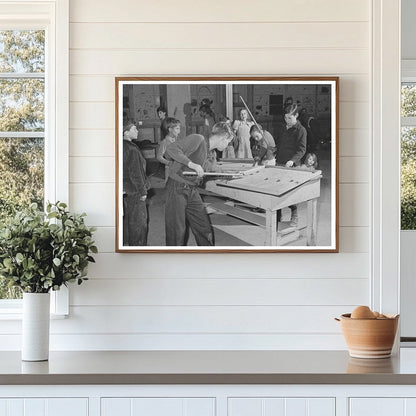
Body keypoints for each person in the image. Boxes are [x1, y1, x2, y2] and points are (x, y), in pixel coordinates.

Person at [164, 121, 235, 246]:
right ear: (223, 138)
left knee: (203, 227)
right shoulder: (198, 139)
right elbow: (171, 149)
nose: (228, 145)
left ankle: (206, 257)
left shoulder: (210, 153)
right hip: (177, 187)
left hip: (191, 190)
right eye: (228, 142)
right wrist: (192, 164)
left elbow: (214, 170)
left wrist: (232, 175)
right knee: (177, 232)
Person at [276, 104, 307, 226]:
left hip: (292, 165)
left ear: (296, 116)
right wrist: (274, 151)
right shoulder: (283, 128)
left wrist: (292, 160)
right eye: (285, 117)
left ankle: (294, 215)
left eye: (290, 118)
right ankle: (278, 215)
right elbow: (280, 143)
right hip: (279, 162)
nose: (287, 120)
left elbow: (302, 149)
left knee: (291, 192)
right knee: (277, 190)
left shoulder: (301, 130)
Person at [123, 122, 150, 246]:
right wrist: (143, 192)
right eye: (134, 129)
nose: (137, 131)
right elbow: (136, 173)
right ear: (126, 132)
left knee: (127, 219)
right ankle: (138, 248)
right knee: (139, 223)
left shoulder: (121, 145)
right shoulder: (132, 149)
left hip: (125, 190)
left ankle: (127, 244)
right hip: (134, 190)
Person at [156, 117, 181, 182]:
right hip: (170, 169)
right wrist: (168, 163)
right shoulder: (165, 142)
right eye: (177, 129)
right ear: (170, 129)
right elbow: (159, 157)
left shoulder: (175, 140)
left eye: (179, 128)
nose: (179, 131)